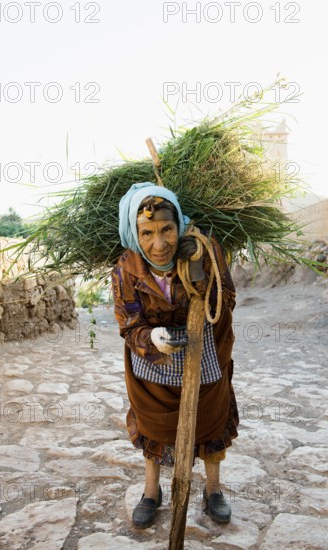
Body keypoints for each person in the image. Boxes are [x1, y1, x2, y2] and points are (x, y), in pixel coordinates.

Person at [111, 182, 239, 529]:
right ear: (134, 233)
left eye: (167, 229)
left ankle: (213, 490)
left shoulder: (203, 248)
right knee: (152, 424)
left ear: (178, 224)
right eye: (147, 232)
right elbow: (128, 324)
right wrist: (152, 337)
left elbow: (226, 300)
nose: (160, 243)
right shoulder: (127, 268)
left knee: (212, 418)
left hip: (204, 352)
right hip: (155, 362)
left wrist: (198, 272)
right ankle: (151, 491)